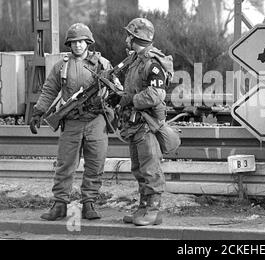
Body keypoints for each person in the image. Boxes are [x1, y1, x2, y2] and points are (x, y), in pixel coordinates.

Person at [30, 23, 113, 221]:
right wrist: (38, 112)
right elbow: (50, 89)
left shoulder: (102, 64)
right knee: (65, 164)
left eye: (81, 42)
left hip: (96, 121)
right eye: (74, 42)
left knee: (95, 164)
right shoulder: (62, 66)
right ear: (70, 44)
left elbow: (114, 90)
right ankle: (59, 204)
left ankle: (89, 204)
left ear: (88, 43)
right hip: (72, 121)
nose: (77, 46)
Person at [118, 17, 174, 226]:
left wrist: (130, 99)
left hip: (147, 125)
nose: (126, 39)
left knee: (150, 168)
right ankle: (143, 208)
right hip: (134, 125)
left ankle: (153, 209)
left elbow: (156, 95)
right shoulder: (135, 60)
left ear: (136, 37)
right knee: (139, 169)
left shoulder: (152, 63)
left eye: (129, 35)